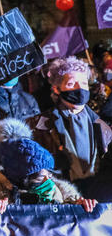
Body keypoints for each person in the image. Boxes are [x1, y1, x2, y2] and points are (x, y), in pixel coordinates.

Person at [27, 57, 112, 199]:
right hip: (62, 203)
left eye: (84, 83)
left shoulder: (104, 128)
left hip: (98, 201)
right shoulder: (37, 126)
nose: (80, 88)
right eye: (72, 84)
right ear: (56, 88)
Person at [0, 118, 97, 213]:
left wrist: (79, 208)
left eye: (48, 172)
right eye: (40, 178)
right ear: (20, 179)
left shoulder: (62, 193)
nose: (48, 179)